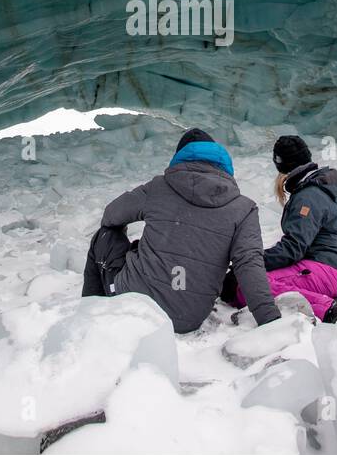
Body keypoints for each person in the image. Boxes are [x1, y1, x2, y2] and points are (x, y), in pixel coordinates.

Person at [81, 128, 280, 333]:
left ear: (180, 158)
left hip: (136, 304)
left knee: (105, 235)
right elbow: (249, 264)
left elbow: (111, 215)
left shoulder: (158, 188)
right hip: (187, 319)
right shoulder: (243, 208)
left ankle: (87, 313)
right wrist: (271, 321)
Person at [229, 134, 337, 323]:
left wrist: (250, 263)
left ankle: (329, 308)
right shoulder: (322, 192)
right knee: (252, 279)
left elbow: (293, 248)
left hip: (319, 271)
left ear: (282, 166)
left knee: (249, 285)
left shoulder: (308, 196)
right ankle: (326, 297)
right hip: (328, 273)